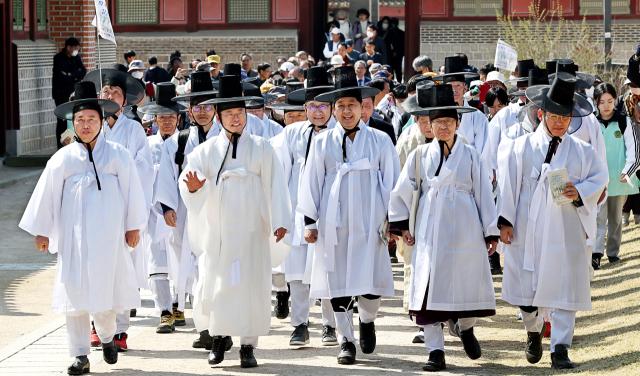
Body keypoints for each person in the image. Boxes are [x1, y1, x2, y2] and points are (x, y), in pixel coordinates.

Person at [20, 81, 147, 375]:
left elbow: (133, 193)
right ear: (72, 124)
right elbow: (47, 196)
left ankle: (106, 337)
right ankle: (80, 354)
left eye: (91, 119)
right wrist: (42, 231)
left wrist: (133, 226)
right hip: (73, 240)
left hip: (108, 237)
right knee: (75, 298)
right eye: (80, 120)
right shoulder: (62, 159)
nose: (86, 125)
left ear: (101, 121)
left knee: (106, 295)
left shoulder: (118, 155)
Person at [179, 74, 292, 368]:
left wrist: (280, 220)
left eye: (239, 113)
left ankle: (248, 347)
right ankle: (218, 340)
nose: (235, 119)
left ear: (246, 114)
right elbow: (189, 181)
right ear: (218, 116)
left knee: (252, 286)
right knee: (217, 284)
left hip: (253, 229)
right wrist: (192, 190)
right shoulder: (203, 152)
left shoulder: (263, 148)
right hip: (219, 231)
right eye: (228, 114)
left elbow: (277, 185)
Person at [497, 73, 607, 370]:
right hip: (527, 224)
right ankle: (533, 330)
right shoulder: (520, 147)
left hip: (564, 224)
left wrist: (580, 191)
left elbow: (601, 177)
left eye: (566, 116)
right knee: (526, 287)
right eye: (554, 116)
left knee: (564, 285)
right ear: (541, 114)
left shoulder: (582, 151)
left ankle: (560, 346)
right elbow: (508, 185)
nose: (560, 122)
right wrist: (505, 221)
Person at [389, 83, 498, 371]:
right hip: (430, 227)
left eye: (448, 122)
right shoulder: (419, 156)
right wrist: (403, 226)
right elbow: (403, 191)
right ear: (430, 125)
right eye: (437, 123)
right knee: (428, 288)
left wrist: (490, 230)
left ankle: (466, 327)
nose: (443, 128)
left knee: (466, 280)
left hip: (465, 225)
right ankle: (435, 351)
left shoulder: (472, 155)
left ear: (458, 123)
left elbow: (484, 194)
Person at [297, 66, 400, 365]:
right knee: (338, 282)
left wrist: (393, 220)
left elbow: (392, 182)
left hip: (370, 220)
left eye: (351, 105)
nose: (345, 111)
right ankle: (346, 340)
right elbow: (311, 181)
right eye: (339, 106)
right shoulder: (321, 142)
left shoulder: (380, 140)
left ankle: (367, 321)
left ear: (362, 107)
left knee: (369, 283)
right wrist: (310, 222)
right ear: (333, 109)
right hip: (334, 221)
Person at [269, 66, 339, 347]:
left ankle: (330, 326)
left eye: (323, 105)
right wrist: (280, 214)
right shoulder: (292, 133)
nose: (318, 111)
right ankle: (299, 325)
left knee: (329, 272)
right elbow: (280, 175)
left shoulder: (341, 133)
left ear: (332, 107)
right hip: (298, 213)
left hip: (330, 214)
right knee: (297, 275)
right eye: (312, 106)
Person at [84, 67, 153, 351]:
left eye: (115, 92)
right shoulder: (89, 127)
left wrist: (114, 169)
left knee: (122, 269)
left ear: (124, 101)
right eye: (106, 91)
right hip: (95, 209)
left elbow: (144, 167)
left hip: (123, 208)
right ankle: (96, 326)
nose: (110, 95)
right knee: (94, 267)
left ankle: (121, 329)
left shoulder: (133, 129)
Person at [154, 71, 220, 352]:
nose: (202, 112)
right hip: (186, 212)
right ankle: (203, 327)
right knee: (193, 271)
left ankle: (218, 326)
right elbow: (167, 177)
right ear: (189, 110)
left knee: (217, 269)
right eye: (197, 107)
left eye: (207, 106)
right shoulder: (178, 141)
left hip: (219, 211)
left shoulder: (228, 138)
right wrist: (167, 206)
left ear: (215, 108)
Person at [137, 83, 189, 334]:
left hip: (181, 208)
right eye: (162, 117)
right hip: (153, 211)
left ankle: (179, 305)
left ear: (179, 118)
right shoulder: (146, 144)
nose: (167, 122)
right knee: (157, 262)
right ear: (154, 120)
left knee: (181, 258)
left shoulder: (187, 142)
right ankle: (164, 312)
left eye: (171, 117)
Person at [593, 82, 640, 269]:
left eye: (610, 101)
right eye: (602, 101)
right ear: (596, 102)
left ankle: (613, 252)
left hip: (620, 179)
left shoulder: (624, 121)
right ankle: (596, 254)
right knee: (597, 218)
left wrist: (627, 172)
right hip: (597, 180)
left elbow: (634, 152)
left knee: (615, 219)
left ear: (615, 101)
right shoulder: (591, 122)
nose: (606, 105)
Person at [433, 56, 492, 171]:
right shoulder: (435, 115)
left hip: (470, 171)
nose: (454, 90)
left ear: (465, 88)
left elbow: (483, 153)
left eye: (458, 86)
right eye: (450, 86)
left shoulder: (478, 117)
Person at [617, 49, 640, 225]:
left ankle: (638, 212)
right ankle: (625, 212)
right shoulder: (624, 100)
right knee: (628, 178)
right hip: (629, 143)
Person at [53, 37, 87, 149]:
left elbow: (83, 72)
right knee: (61, 120)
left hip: (73, 94)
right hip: (61, 94)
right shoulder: (58, 58)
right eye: (75, 48)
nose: (77, 50)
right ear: (69, 47)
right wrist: (74, 76)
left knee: (74, 118)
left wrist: (69, 74)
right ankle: (60, 146)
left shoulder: (76, 58)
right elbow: (59, 76)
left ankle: (75, 144)